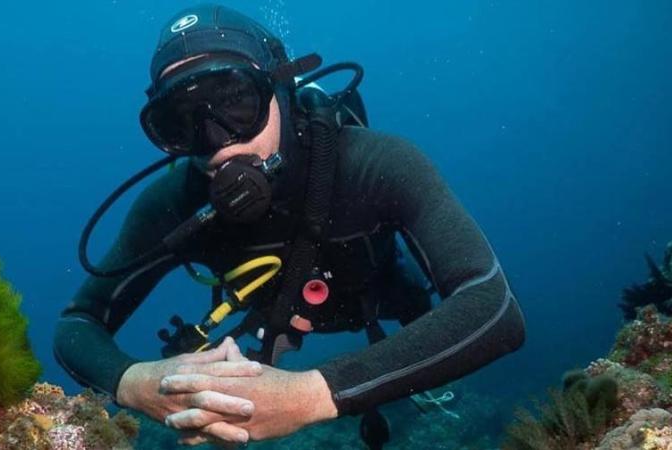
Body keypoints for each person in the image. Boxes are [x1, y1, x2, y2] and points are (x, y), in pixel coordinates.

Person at [54, 3, 526, 447]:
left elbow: (493, 308)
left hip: (376, 295)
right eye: (182, 123)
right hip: (270, 315)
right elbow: (77, 324)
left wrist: (309, 396)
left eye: (237, 101)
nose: (218, 143)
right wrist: (135, 383)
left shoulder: (375, 163)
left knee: (411, 304)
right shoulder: (171, 205)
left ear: (279, 86)